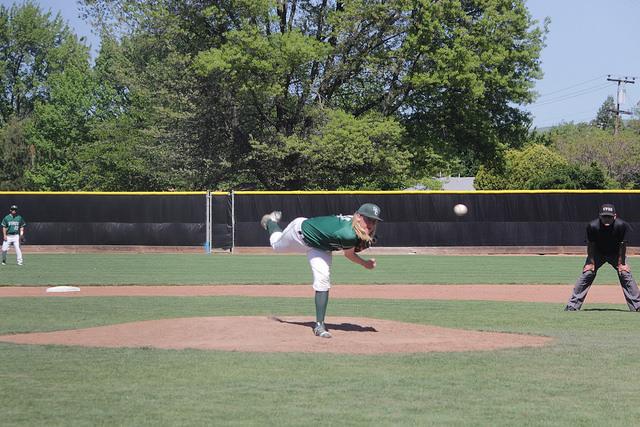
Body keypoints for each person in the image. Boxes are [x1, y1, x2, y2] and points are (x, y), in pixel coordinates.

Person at [260, 203, 382, 338]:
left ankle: (319, 325)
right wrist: (365, 263)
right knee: (276, 245)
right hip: (299, 235)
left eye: (374, 221)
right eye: (368, 219)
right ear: (358, 216)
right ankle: (270, 221)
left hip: (321, 248)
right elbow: (349, 254)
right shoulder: (348, 234)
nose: (371, 224)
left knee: (322, 280)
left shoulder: (353, 225)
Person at [565, 203, 640, 311]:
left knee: (624, 273)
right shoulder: (592, 226)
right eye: (604, 216)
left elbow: (622, 245)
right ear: (600, 216)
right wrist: (590, 262)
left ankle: (637, 306)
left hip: (615, 253)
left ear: (615, 216)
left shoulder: (621, 225)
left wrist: (622, 263)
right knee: (588, 273)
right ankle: (572, 305)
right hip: (597, 254)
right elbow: (590, 245)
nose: (607, 219)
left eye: (609, 217)